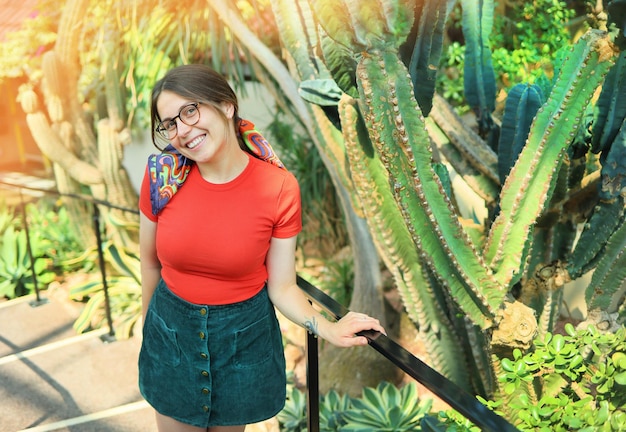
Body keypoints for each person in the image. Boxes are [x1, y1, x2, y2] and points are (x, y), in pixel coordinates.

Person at [138, 64, 385, 432]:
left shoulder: (279, 188)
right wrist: (150, 333)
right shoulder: (162, 177)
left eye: (191, 111)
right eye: (170, 123)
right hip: (171, 337)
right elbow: (149, 263)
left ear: (226, 106)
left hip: (242, 340)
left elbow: (282, 286)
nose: (182, 131)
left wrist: (329, 328)